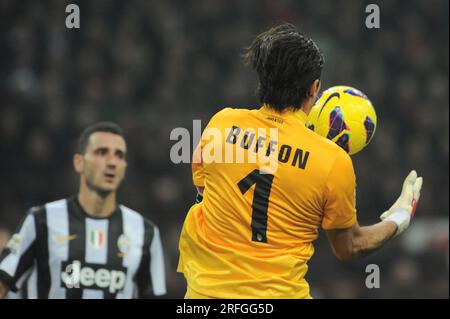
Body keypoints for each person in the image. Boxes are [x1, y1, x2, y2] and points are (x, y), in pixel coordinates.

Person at [177, 24, 423, 299]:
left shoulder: (221, 124)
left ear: (262, 79)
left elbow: (202, 190)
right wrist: (399, 218)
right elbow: (350, 247)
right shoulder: (331, 161)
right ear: (314, 89)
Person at [0, 122, 166, 299]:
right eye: (102, 152)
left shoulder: (145, 232)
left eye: (119, 155)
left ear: (124, 167)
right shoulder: (42, 220)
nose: (112, 162)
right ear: (79, 163)